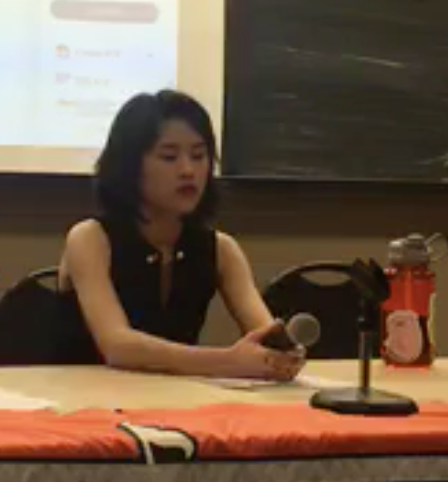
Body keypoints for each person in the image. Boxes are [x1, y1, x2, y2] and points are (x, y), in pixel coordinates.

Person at [57, 89, 306, 380]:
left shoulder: (222, 248)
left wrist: (278, 354)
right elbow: (118, 346)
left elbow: (262, 331)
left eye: (199, 156)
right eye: (169, 157)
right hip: (80, 395)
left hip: (175, 397)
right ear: (129, 165)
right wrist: (227, 361)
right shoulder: (90, 238)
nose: (188, 170)